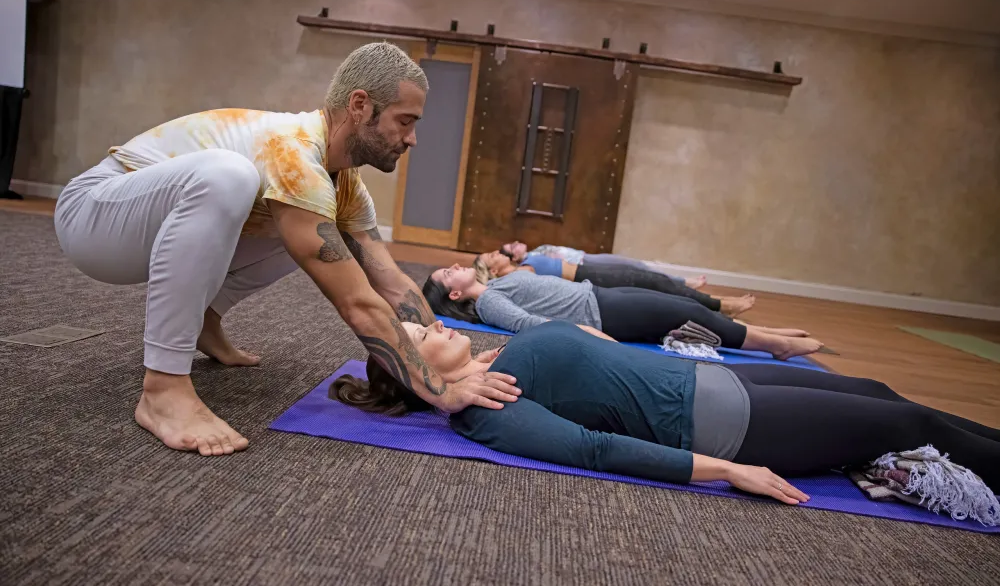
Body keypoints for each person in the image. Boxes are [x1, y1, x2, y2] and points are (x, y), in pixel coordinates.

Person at [52, 42, 519, 457]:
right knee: (231, 178)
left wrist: (455, 364)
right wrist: (440, 392)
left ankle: (204, 320)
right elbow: (358, 302)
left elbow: (391, 283)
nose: (412, 138)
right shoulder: (293, 152)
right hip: (94, 217)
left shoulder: (342, 185)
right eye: (405, 121)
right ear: (360, 105)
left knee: (314, 232)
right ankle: (163, 388)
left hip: (144, 231)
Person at [331, 320, 1000, 501]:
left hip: (718, 380)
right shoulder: (486, 411)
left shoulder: (493, 363)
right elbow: (593, 451)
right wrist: (728, 471)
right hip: (729, 427)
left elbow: (595, 350)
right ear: (417, 377)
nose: (433, 325)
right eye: (421, 336)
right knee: (911, 427)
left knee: (880, 392)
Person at [423, 264, 821, 360]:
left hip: (600, 298)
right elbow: (528, 324)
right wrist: (588, 336)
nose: (454, 266)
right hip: (602, 313)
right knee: (688, 315)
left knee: (685, 305)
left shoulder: (494, 286)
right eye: (448, 273)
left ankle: (765, 333)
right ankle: (773, 345)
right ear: (455, 293)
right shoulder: (489, 302)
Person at [477, 250, 754, 317]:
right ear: (493, 270)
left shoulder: (523, 262)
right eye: (492, 256)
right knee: (658, 286)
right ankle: (722, 306)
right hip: (591, 280)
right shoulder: (521, 273)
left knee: (657, 281)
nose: (496, 252)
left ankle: (717, 304)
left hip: (590, 269)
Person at [501, 241, 707, 290]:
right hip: (584, 265)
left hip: (587, 258)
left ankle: (680, 282)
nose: (516, 242)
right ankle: (684, 283)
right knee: (635, 271)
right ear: (513, 257)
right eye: (512, 246)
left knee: (637, 266)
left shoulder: (537, 250)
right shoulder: (530, 263)